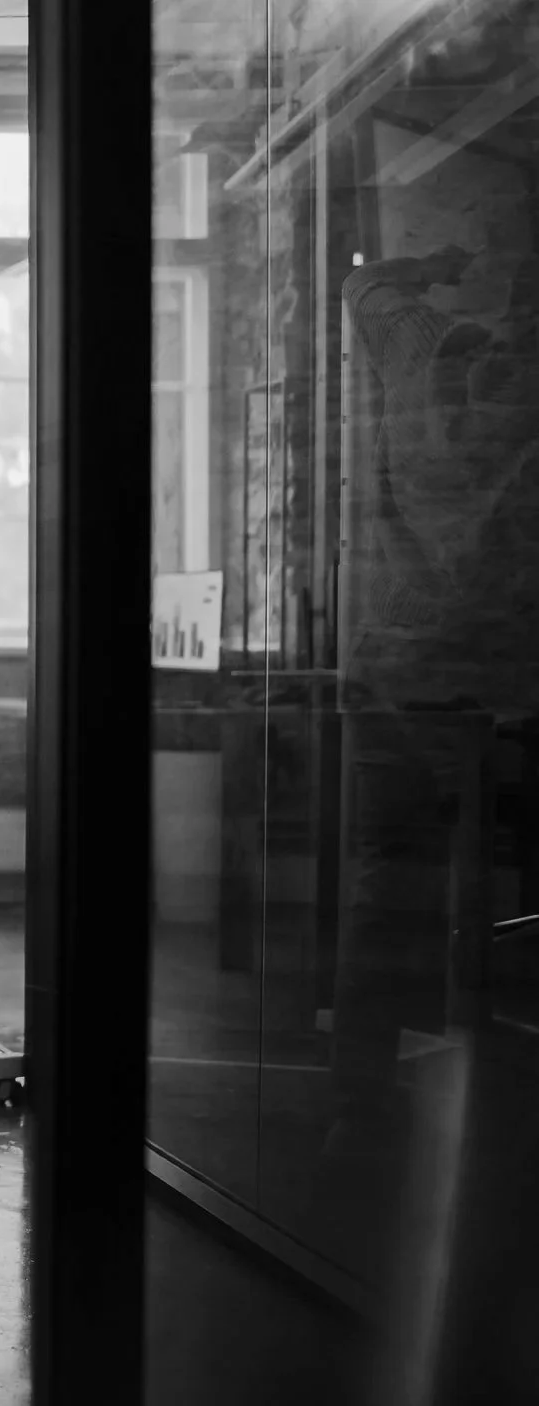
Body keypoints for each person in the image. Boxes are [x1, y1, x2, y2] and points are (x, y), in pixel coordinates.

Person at [325, 247, 539, 1166]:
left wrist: (439, 262)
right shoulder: (526, 403)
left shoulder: (424, 353)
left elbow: (361, 286)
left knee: (385, 895)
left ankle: (358, 1108)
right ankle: (491, 1116)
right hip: (495, 691)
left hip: (393, 675)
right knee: (486, 898)